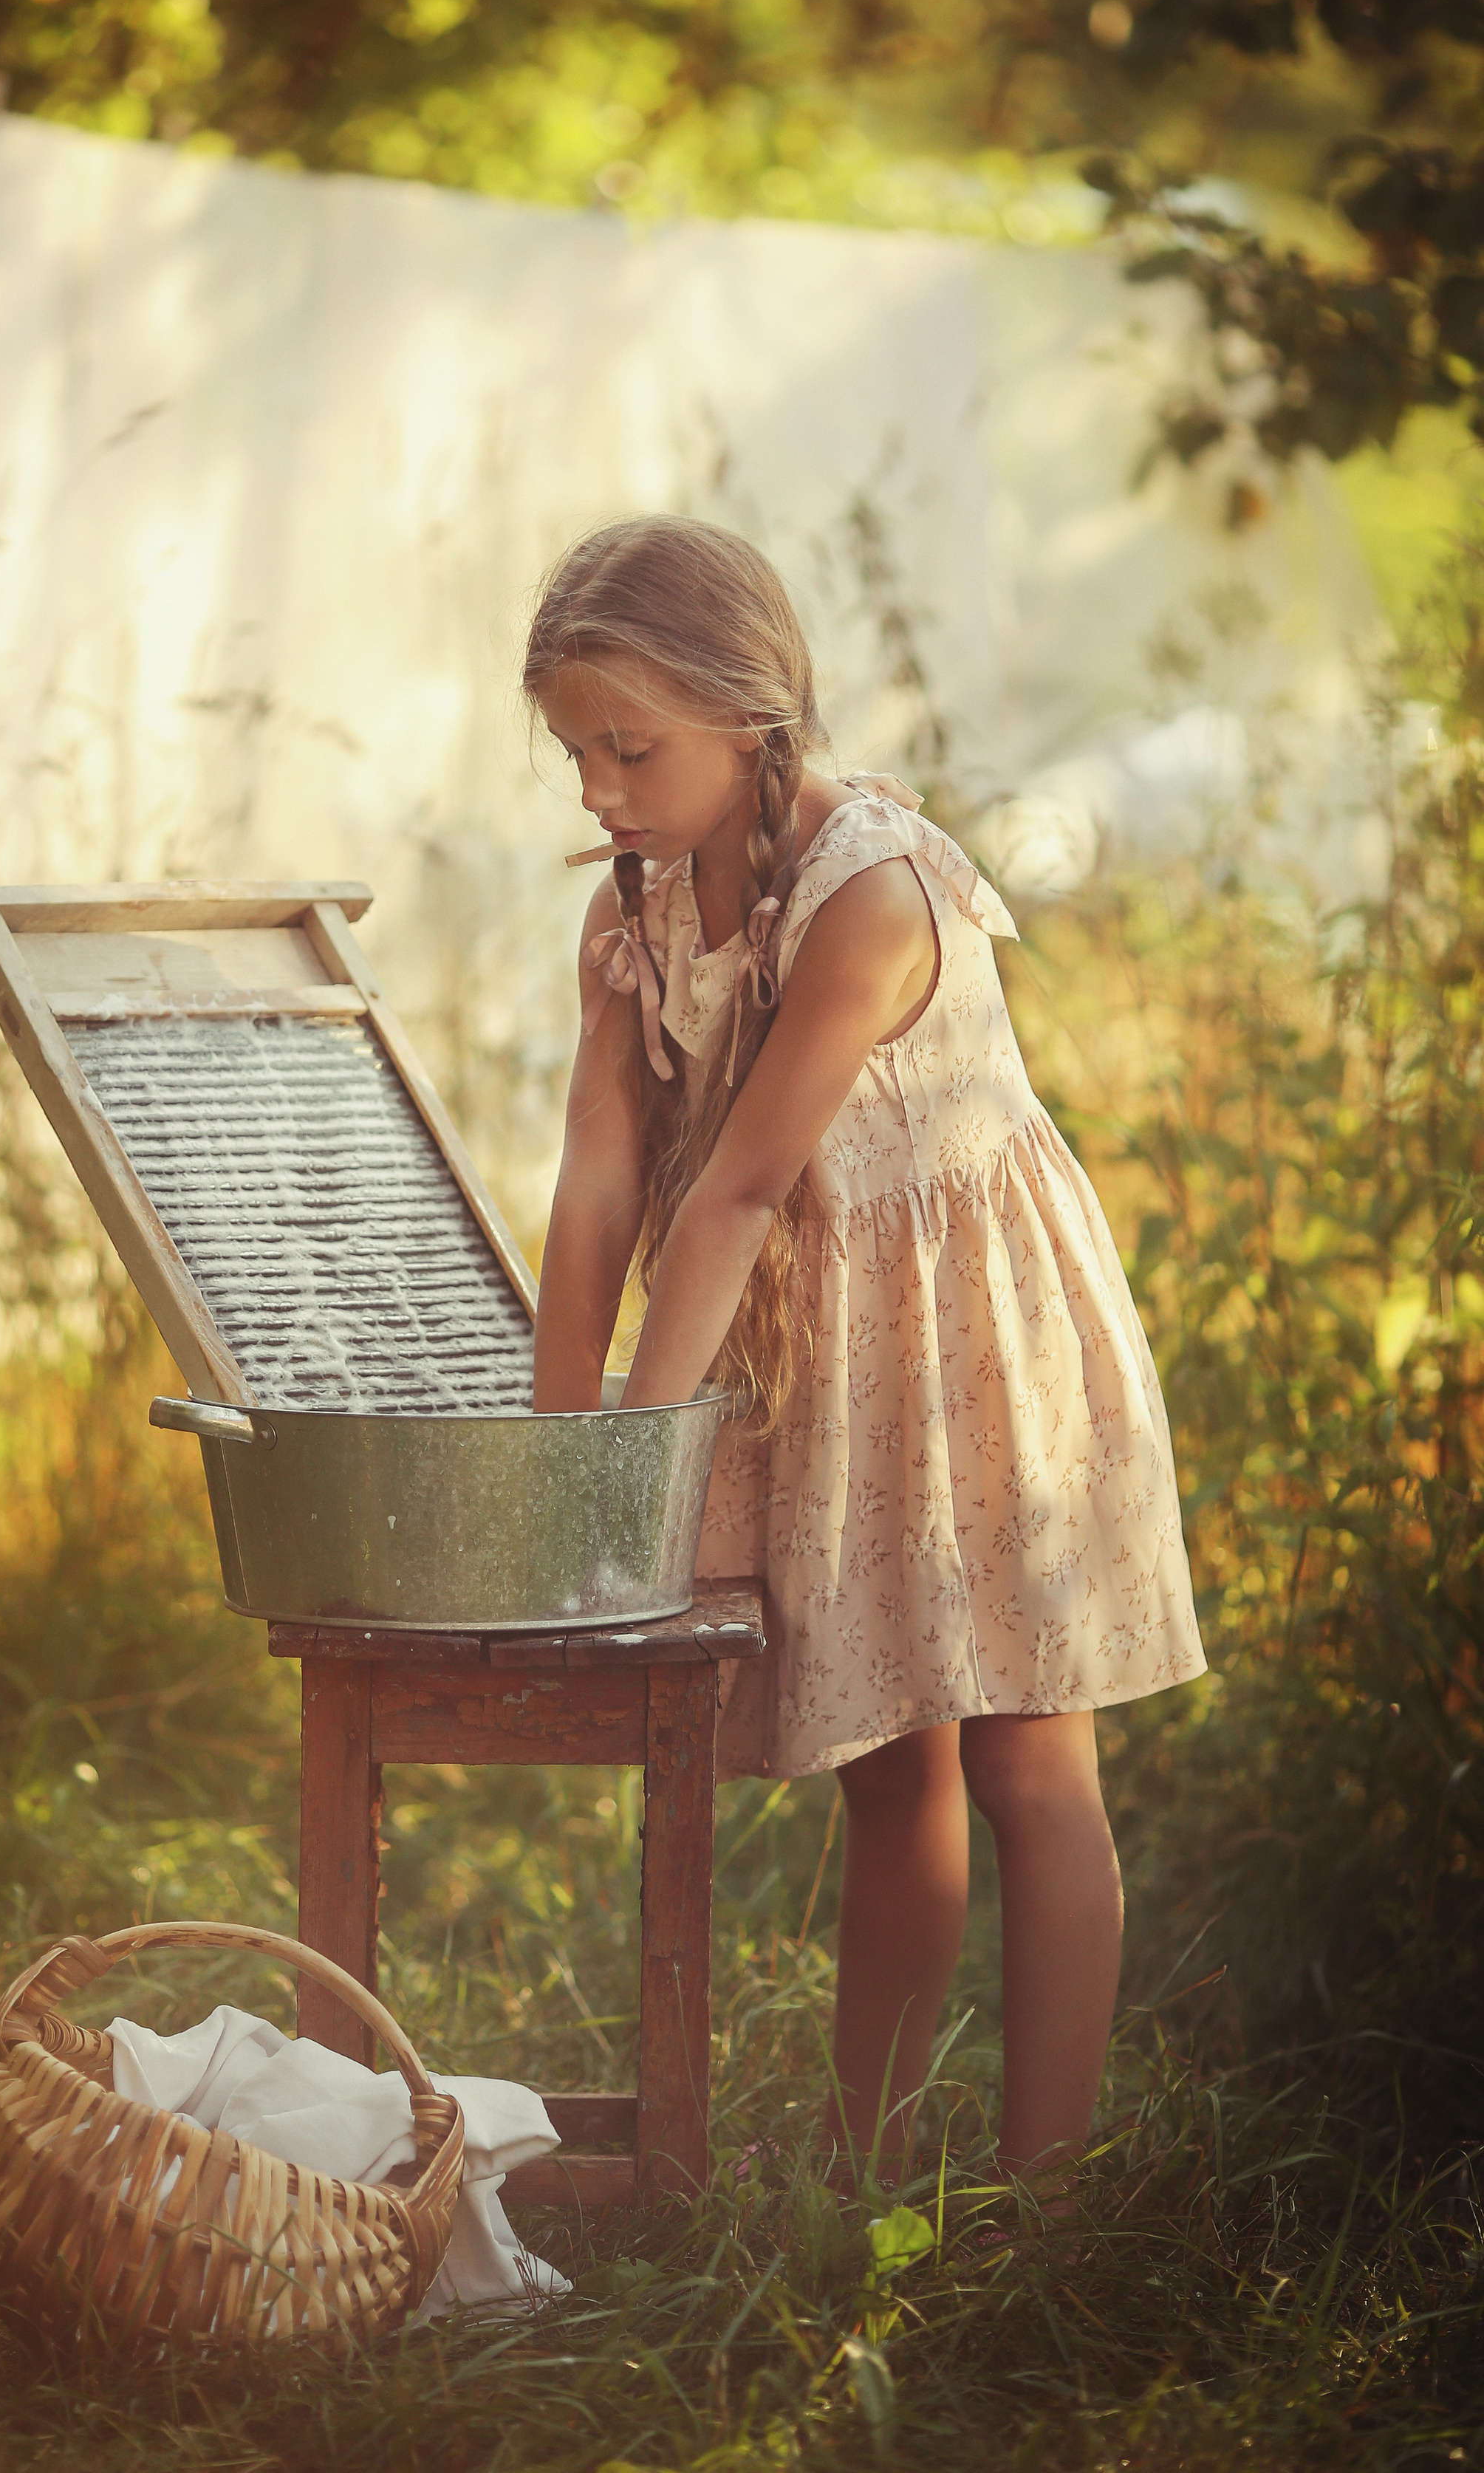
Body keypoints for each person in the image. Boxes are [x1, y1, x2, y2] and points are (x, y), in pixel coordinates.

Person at [525, 515, 1206, 2189]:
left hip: (977, 1342)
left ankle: (1040, 2204)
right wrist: (553, 1453)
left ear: (750, 714)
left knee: (1027, 1756)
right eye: (573, 752)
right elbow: (604, 1177)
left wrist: (643, 1452)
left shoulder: (872, 896)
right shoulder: (634, 906)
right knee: (887, 1770)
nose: (600, 788)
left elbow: (742, 1186)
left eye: (632, 747)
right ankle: (868, 2175)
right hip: (835, 1363)